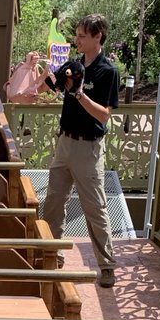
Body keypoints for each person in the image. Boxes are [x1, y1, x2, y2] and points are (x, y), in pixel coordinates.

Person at [39, 14, 120, 288]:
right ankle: (52, 254)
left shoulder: (107, 71)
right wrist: (43, 75)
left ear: (98, 37)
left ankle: (106, 265)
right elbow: (55, 89)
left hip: (88, 148)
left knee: (95, 208)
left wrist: (80, 95)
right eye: (77, 35)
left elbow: (103, 116)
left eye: (83, 35)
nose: (78, 40)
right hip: (65, 143)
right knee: (53, 202)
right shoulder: (73, 65)